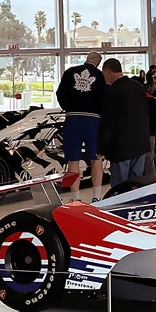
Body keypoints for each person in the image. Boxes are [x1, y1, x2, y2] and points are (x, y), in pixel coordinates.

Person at [56, 51, 105, 202]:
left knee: (73, 160)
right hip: (93, 120)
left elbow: (60, 94)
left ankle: (75, 198)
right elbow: (105, 98)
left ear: (87, 59)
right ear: (98, 63)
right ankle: (96, 197)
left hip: (73, 119)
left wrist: (69, 107)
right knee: (96, 159)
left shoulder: (70, 72)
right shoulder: (100, 76)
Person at [99, 58, 150, 186]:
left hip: (121, 147)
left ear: (107, 71)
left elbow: (108, 122)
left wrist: (102, 147)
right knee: (136, 184)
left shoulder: (112, 92)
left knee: (120, 186)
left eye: (103, 74)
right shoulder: (138, 87)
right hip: (141, 143)